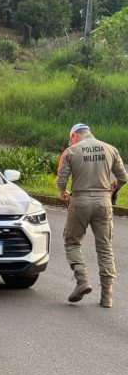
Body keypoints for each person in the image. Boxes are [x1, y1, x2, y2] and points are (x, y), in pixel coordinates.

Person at [56, 123, 127, 307]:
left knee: (72, 241)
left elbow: (61, 180)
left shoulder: (71, 151)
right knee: (105, 248)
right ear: (89, 133)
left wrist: (62, 193)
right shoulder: (110, 149)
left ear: (74, 136)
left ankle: (82, 280)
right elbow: (123, 178)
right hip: (104, 202)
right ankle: (107, 296)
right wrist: (112, 189)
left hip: (79, 202)